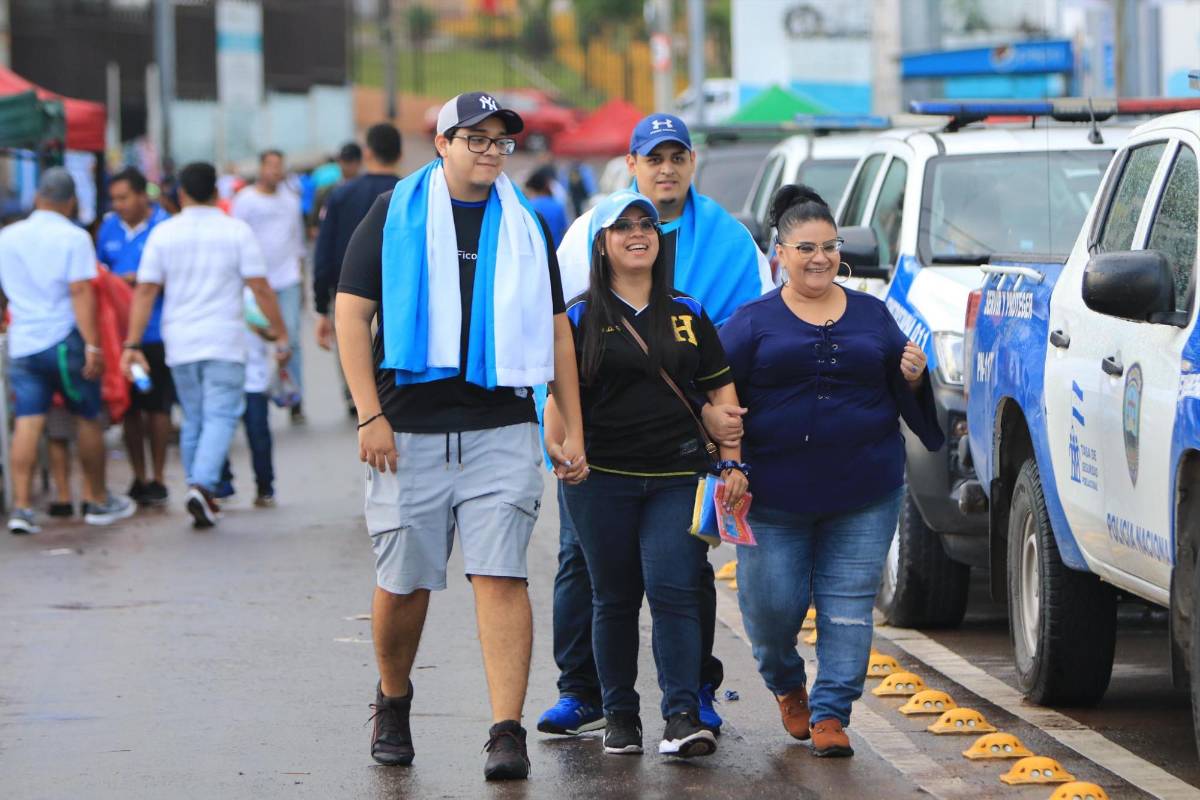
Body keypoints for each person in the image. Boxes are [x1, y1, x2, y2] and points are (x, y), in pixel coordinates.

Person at [335, 91, 585, 781]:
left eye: (500, 141)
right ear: (441, 144)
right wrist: (368, 414)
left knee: (501, 574)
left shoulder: (525, 224)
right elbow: (352, 315)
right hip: (405, 428)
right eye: (474, 138)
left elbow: (558, 330)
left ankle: (506, 730)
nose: (489, 151)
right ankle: (393, 697)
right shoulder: (393, 215)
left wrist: (571, 426)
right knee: (404, 582)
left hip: (500, 425)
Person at [539, 113, 769, 738]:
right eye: (653, 157)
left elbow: (739, 349)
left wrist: (730, 452)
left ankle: (689, 699)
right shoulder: (585, 236)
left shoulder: (729, 242)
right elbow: (557, 356)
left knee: (681, 580)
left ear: (692, 163)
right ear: (633, 165)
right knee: (586, 575)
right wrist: (562, 442)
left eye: (677, 156)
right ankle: (587, 695)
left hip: (680, 460)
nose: (666, 169)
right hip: (599, 461)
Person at [718, 185, 943, 756]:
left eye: (829, 247)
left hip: (864, 489)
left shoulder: (872, 314)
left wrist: (913, 377)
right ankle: (787, 684)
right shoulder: (751, 322)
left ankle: (831, 714)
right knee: (770, 612)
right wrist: (730, 462)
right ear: (780, 254)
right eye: (805, 248)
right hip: (772, 496)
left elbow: (902, 384)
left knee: (847, 608)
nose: (819, 258)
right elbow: (715, 397)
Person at [121, 162, 289, 529]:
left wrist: (131, 342)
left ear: (180, 193)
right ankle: (201, 485)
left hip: (179, 342)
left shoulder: (164, 233)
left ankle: (202, 490)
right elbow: (260, 287)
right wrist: (280, 332)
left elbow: (146, 290)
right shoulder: (236, 231)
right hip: (224, 341)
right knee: (220, 416)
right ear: (216, 192)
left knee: (196, 417)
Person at [0, 168, 135, 532]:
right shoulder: (74, 238)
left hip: (23, 344)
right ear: (71, 201)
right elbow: (80, 292)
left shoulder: (6, 237)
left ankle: (22, 508)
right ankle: (96, 499)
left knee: (28, 422)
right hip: (63, 341)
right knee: (88, 416)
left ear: (36, 197)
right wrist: (93, 344)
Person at [313, 123, 402, 415]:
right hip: (399, 287)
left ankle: (356, 395)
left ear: (367, 153)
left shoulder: (341, 194)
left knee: (352, 333)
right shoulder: (410, 194)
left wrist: (319, 303)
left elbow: (323, 251)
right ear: (399, 154)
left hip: (347, 286)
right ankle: (390, 389)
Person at [97, 166, 173, 506]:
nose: (119, 204)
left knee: (157, 407)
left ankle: (158, 476)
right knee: (129, 408)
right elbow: (98, 275)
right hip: (118, 337)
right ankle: (138, 476)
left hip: (156, 333)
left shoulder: (164, 228)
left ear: (143, 195)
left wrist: (139, 281)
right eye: (114, 199)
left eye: (124, 197)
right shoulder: (108, 229)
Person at [232, 150, 307, 423]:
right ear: (261, 168)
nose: (275, 171)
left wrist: (302, 279)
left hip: (287, 279)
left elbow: (297, 241)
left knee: (291, 339)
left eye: (280, 165)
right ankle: (249, 399)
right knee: (252, 342)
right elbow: (236, 239)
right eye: (271, 165)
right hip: (255, 283)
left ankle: (294, 397)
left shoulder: (290, 200)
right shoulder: (245, 201)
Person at [215, 289, 278, 507]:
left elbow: (273, 331)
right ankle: (222, 485)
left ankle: (265, 486)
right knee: (218, 432)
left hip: (253, 377)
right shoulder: (211, 295)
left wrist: (263, 328)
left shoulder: (253, 294)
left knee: (258, 434)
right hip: (221, 376)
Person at [308, 142, 363, 236]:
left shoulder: (365, 190)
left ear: (358, 163)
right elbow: (314, 225)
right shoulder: (328, 191)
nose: (346, 166)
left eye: (350, 162)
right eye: (343, 161)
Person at [523, 169, 568, 246]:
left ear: (532, 189)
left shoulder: (528, 206)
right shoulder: (558, 205)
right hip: (556, 249)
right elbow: (564, 231)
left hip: (536, 251)